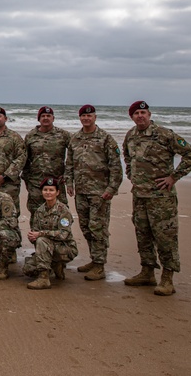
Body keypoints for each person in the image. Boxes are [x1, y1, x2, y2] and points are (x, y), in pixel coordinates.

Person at [122, 100, 191, 296]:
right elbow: (127, 156)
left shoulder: (165, 134)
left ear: (149, 114)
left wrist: (174, 177)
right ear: (131, 117)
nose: (140, 116)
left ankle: (167, 278)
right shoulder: (130, 135)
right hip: (139, 195)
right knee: (143, 234)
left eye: (143, 112)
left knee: (165, 237)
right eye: (136, 113)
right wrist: (131, 173)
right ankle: (147, 272)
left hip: (161, 197)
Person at [65, 104, 123, 281]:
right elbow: (69, 164)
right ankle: (94, 259)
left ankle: (99, 265)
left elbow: (116, 167)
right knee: (86, 227)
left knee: (98, 228)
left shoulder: (105, 139)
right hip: (81, 191)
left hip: (100, 193)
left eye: (89, 116)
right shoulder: (75, 139)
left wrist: (111, 189)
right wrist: (69, 183)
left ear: (95, 117)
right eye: (83, 116)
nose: (86, 118)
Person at [23, 177, 79, 290]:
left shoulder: (63, 210)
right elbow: (35, 232)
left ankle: (44, 279)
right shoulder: (39, 211)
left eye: (51, 190)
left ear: (57, 192)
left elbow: (64, 234)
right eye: (45, 190)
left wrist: (40, 234)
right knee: (28, 269)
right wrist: (32, 236)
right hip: (47, 248)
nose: (48, 193)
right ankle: (55, 266)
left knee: (41, 240)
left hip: (65, 248)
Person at [22, 106, 71, 216]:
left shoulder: (63, 135)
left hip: (57, 183)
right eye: (43, 116)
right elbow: (24, 159)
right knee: (37, 214)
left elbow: (74, 154)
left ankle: (62, 234)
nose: (46, 118)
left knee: (62, 213)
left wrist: (67, 174)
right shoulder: (31, 136)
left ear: (53, 118)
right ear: (38, 119)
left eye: (48, 116)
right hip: (36, 183)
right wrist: (26, 180)